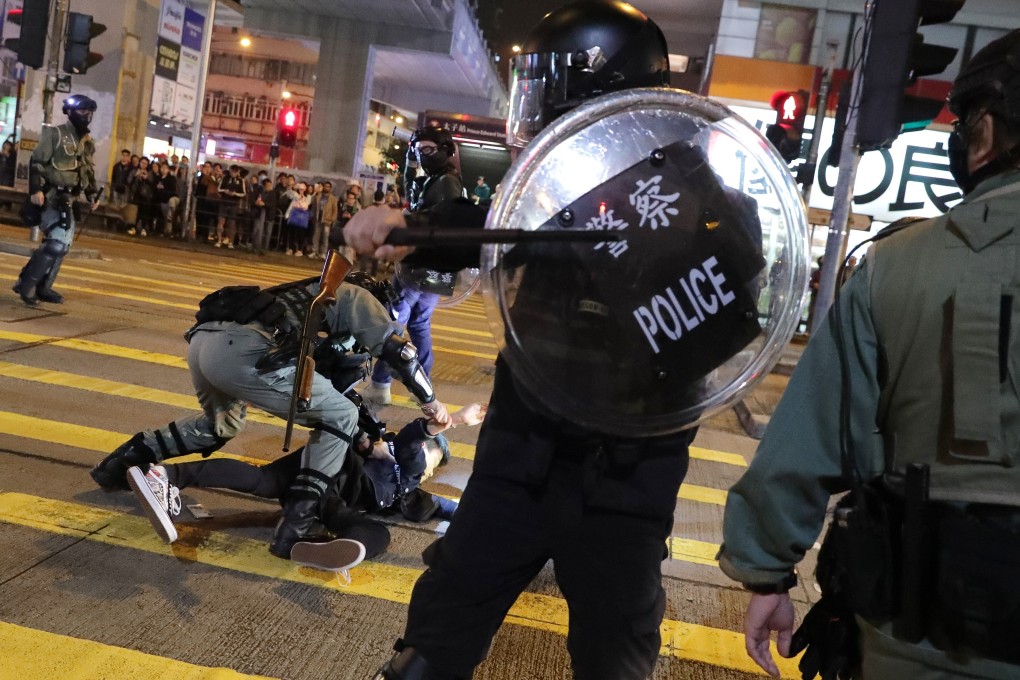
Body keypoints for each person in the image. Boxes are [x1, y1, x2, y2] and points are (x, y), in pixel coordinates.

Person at [344, 4, 726, 679]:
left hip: (625, 480)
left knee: (613, 657)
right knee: (434, 641)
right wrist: (410, 227)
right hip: (523, 453)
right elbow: (496, 221)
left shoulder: (698, 200)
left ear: (595, 87)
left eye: (551, 85)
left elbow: (730, 314)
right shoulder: (555, 185)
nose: (540, 106)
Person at [718, 30, 1020, 680]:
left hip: (922, 639)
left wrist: (766, 572)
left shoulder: (898, 266)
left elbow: (810, 441)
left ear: (987, 134)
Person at [90, 270, 450, 563]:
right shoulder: (357, 297)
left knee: (220, 425)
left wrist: (367, 443)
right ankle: (295, 527)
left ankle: (118, 468)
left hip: (206, 345)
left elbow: (329, 388)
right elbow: (399, 353)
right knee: (338, 416)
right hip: (248, 350)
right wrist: (431, 403)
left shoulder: (311, 300)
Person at [126, 399, 485, 569]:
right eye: (435, 462)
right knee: (375, 532)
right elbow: (412, 442)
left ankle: (165, 476)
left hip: (315, 460)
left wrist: (484, 519)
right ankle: (337, 546)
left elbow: (446, 507)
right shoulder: (406, 461)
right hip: (332, 488)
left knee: (260, 479)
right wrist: (448, 423)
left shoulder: (399, 476)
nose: (429, 471)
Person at [361, 125, 463, 406]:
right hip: (434, 268)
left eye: (429, 150)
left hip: (421, 265)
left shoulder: (446, 183)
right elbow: (411, 188)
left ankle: (381, 383)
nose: (423, 155)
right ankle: (422, 385)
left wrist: (408, 222)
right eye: (419, 151)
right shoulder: (440, 179)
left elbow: (437, 221)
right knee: (419, 323)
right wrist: (409, 162)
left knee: (394, 323)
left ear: (445, 150)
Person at [13, 94, 99, 306]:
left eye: (90, 112)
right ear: (69, 112)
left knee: (62, 245)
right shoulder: (55, 133)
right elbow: (37, 162)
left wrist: (92, 194)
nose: (87, 116)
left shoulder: (87, 141)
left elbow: (87, 170)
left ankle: (43, 286)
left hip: (71, 199)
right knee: (56, 244)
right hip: (52, 196)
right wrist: (36, 189)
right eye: (82, 111)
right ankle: (27, 285)